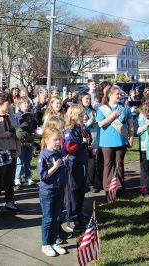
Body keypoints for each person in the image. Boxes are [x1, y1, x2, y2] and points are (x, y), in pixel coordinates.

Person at [97, 86, 134, 201]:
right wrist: (113, 116)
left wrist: (131, 138)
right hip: (107, 142)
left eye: (120, 94)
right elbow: (101, 124)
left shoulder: (125, 108)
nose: (119, 96)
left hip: (121, 140)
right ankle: (108, 188)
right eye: (117, 94)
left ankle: (120, 188)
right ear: (110, 95)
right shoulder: (102, 109)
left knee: (119, 164)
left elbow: (130, 125)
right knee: (108, 164)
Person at [38, 127, 68, 257]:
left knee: (57, 218)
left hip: (59, 190)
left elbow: (63, 173)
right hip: (47, 192)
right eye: (55, 140)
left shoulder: (59, 153)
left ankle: (54, 242)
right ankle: (45, 244)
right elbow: (43, 176)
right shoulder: (44, 155)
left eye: (59, 139)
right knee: (48, 219)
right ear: (47, 140)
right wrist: (55, 167)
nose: (58, 142)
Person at [0, 94, 21, 215]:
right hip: (0, 151)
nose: (10, 106)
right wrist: (6, 134)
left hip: (12, 150)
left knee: (10, 178)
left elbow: (17, 134)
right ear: (0, 103)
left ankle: (9, 201)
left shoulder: (12, 117)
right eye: (8, 104)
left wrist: (18, 149)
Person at [63, 104, 91, 233]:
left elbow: (85, 141)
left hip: (82, 162)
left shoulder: (80, 128)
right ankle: (71, 218)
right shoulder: (69, 130)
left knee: (81, 189)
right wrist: (83, 142)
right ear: (73, 116)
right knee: (72, 191)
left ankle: (79, 212)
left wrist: (87, 142)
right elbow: (70, 147)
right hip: (73, 164)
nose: (82, 117)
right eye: (80, 115)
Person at [79, 92, 101, 193]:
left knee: (92, 164)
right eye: (86, 99)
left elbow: (97, 128)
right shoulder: (78, 111)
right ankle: (84, 184)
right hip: (82, 140)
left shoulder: (93, 111)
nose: (88, 101)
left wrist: (96, 142)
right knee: (82, 163)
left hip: (93, 140)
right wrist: (88, 123)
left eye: (89, 99)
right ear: (81, 100)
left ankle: (91, 183)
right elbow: (79, 126)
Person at [14, 96, 37, 186]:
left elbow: (35, 126)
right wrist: (20, 126)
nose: (26, 105)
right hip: (20, 142)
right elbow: (14, 128)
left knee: (28, 160)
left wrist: (36, 132)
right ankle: (17, 178)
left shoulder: (31, 115)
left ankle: (28, 177)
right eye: (24, 103)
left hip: (29, 141)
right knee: (19, 161)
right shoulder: (17, 116)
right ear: (19, 105)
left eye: (27, 103)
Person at [136, 103, 149, 196]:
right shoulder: (139, 119)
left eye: (148, 111)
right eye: (145, 111)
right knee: (144, 168)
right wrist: (144, 127)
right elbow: (136, 131)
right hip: (143, 146)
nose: (147, 113)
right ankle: (143, 187)